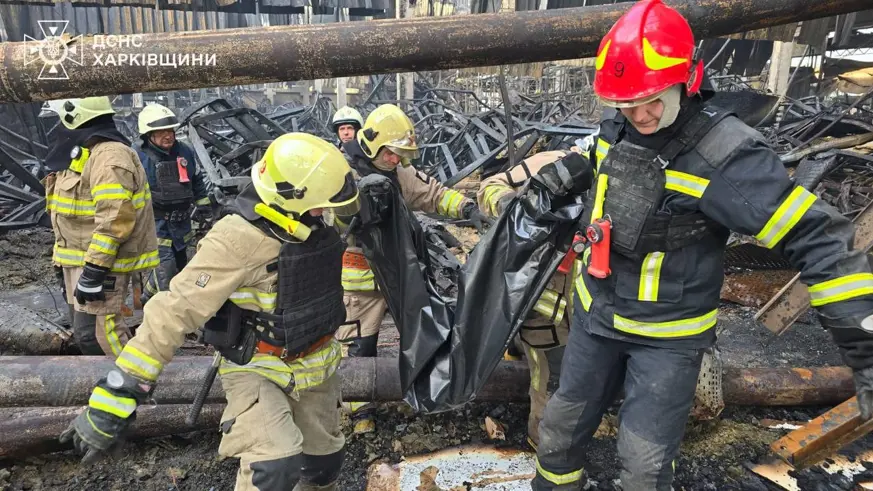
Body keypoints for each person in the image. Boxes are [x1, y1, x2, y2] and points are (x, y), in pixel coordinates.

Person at [531, 1, 873, 489]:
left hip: (667, 339)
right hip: (595, 319)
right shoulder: (619, 126)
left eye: (652, 99)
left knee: (644, 464)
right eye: (626, 103)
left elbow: (820, 238)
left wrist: (864, 346)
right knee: (560, 433)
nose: (640, 114)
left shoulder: (726, 157)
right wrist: (541, 188)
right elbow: (593, 163)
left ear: (688, 79)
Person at [60, 132, 360, 491]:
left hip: (317, 365)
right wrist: (117, 393)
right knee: (274, 466)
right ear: (288, 195)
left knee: (322, 466)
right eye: (318, 205)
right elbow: (174, 310)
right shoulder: (236, 239)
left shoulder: (316, 219)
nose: (324, 212)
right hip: (258, 368)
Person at [335, 103, 493, 434]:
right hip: (360, 279)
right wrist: (355, 209)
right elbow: (331, 221)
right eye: (393, 154)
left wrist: (467, 208)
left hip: (401, 275)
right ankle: (359, 409)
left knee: (423, 331)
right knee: (359, 343)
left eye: (401, 155)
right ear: (375, 144)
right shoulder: (341, 172)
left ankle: (426, 393)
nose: (397, 161)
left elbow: (432, 193)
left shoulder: (398, 172)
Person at [477, 149, 586, 449]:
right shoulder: (559, 162)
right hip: (547, 306)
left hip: (591, 311)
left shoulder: (628, 174)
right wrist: (516, 209)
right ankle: (543, 443)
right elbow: (490, 185)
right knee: (551, 379)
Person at [42, 96, 158, 357]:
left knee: (100, 334)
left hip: (103, 263)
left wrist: (94, 271)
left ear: (76, 117)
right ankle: (107, 386)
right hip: (80, 260)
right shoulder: (86, 152)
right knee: (86, 333)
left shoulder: (109, 157)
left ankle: (130, 385)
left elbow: (114, 219)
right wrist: (64, 266)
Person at [134, 103, 212, 302]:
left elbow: (196, 180)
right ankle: (164, 312)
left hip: (182, 224)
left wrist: (203, 205)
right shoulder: (138, 157)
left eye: (170, 130)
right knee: (166, 269)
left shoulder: (184, 151)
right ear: (148, 135)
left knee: (180, 267)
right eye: (161, 132)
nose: (168, 135)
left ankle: (146, 297)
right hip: (156, 225)